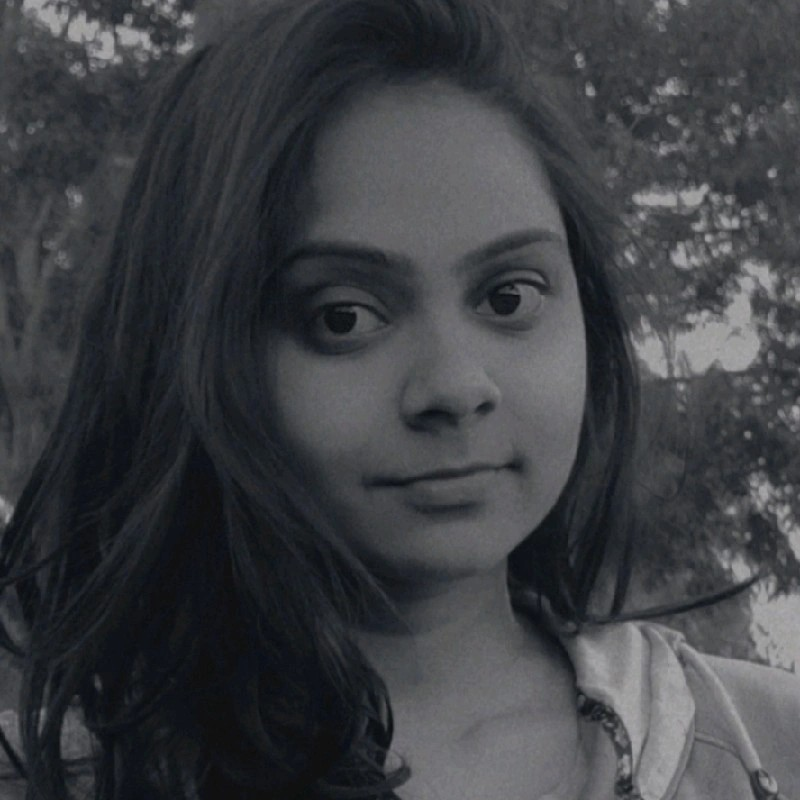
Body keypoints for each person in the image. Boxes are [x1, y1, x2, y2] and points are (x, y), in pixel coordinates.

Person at [0, 0, 798, 797]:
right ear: (192, 347)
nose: (455, 386)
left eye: (509, 297)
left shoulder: (763, 745)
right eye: (343, 317)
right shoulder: (68, 778)